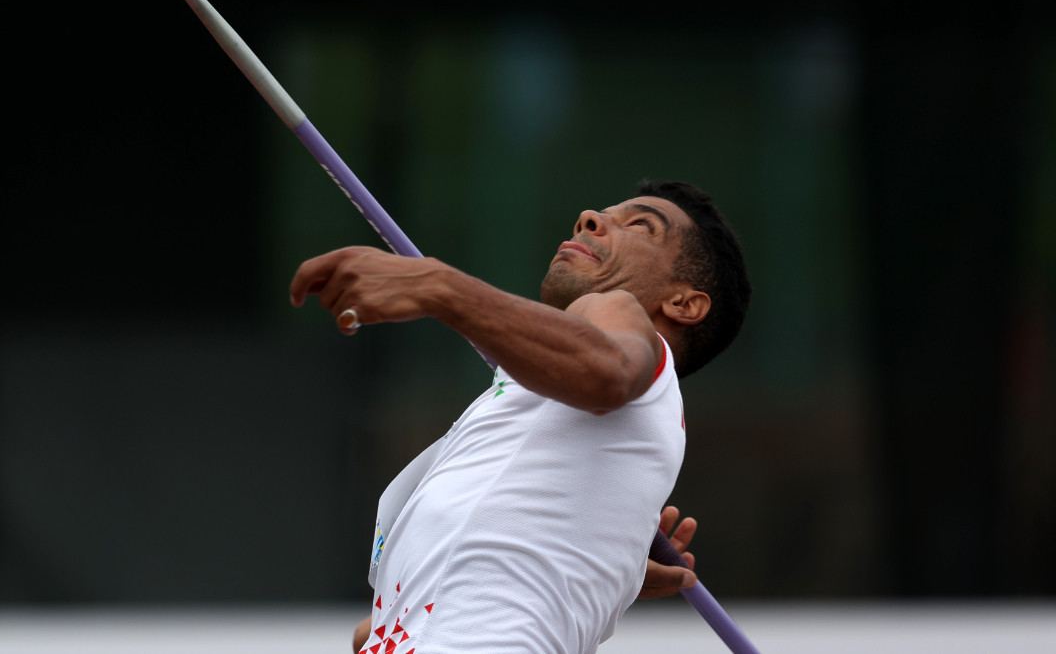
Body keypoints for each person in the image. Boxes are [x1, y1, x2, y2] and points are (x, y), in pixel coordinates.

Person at [289, 180, 751, 654]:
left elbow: (607, 372)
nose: (590, 217)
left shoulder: (620, 321)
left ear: (683, 303)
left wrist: (439, 286)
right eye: (605, 212)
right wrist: (608, 562)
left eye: (639, 226)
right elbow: (386, 629)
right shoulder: (532, 412)